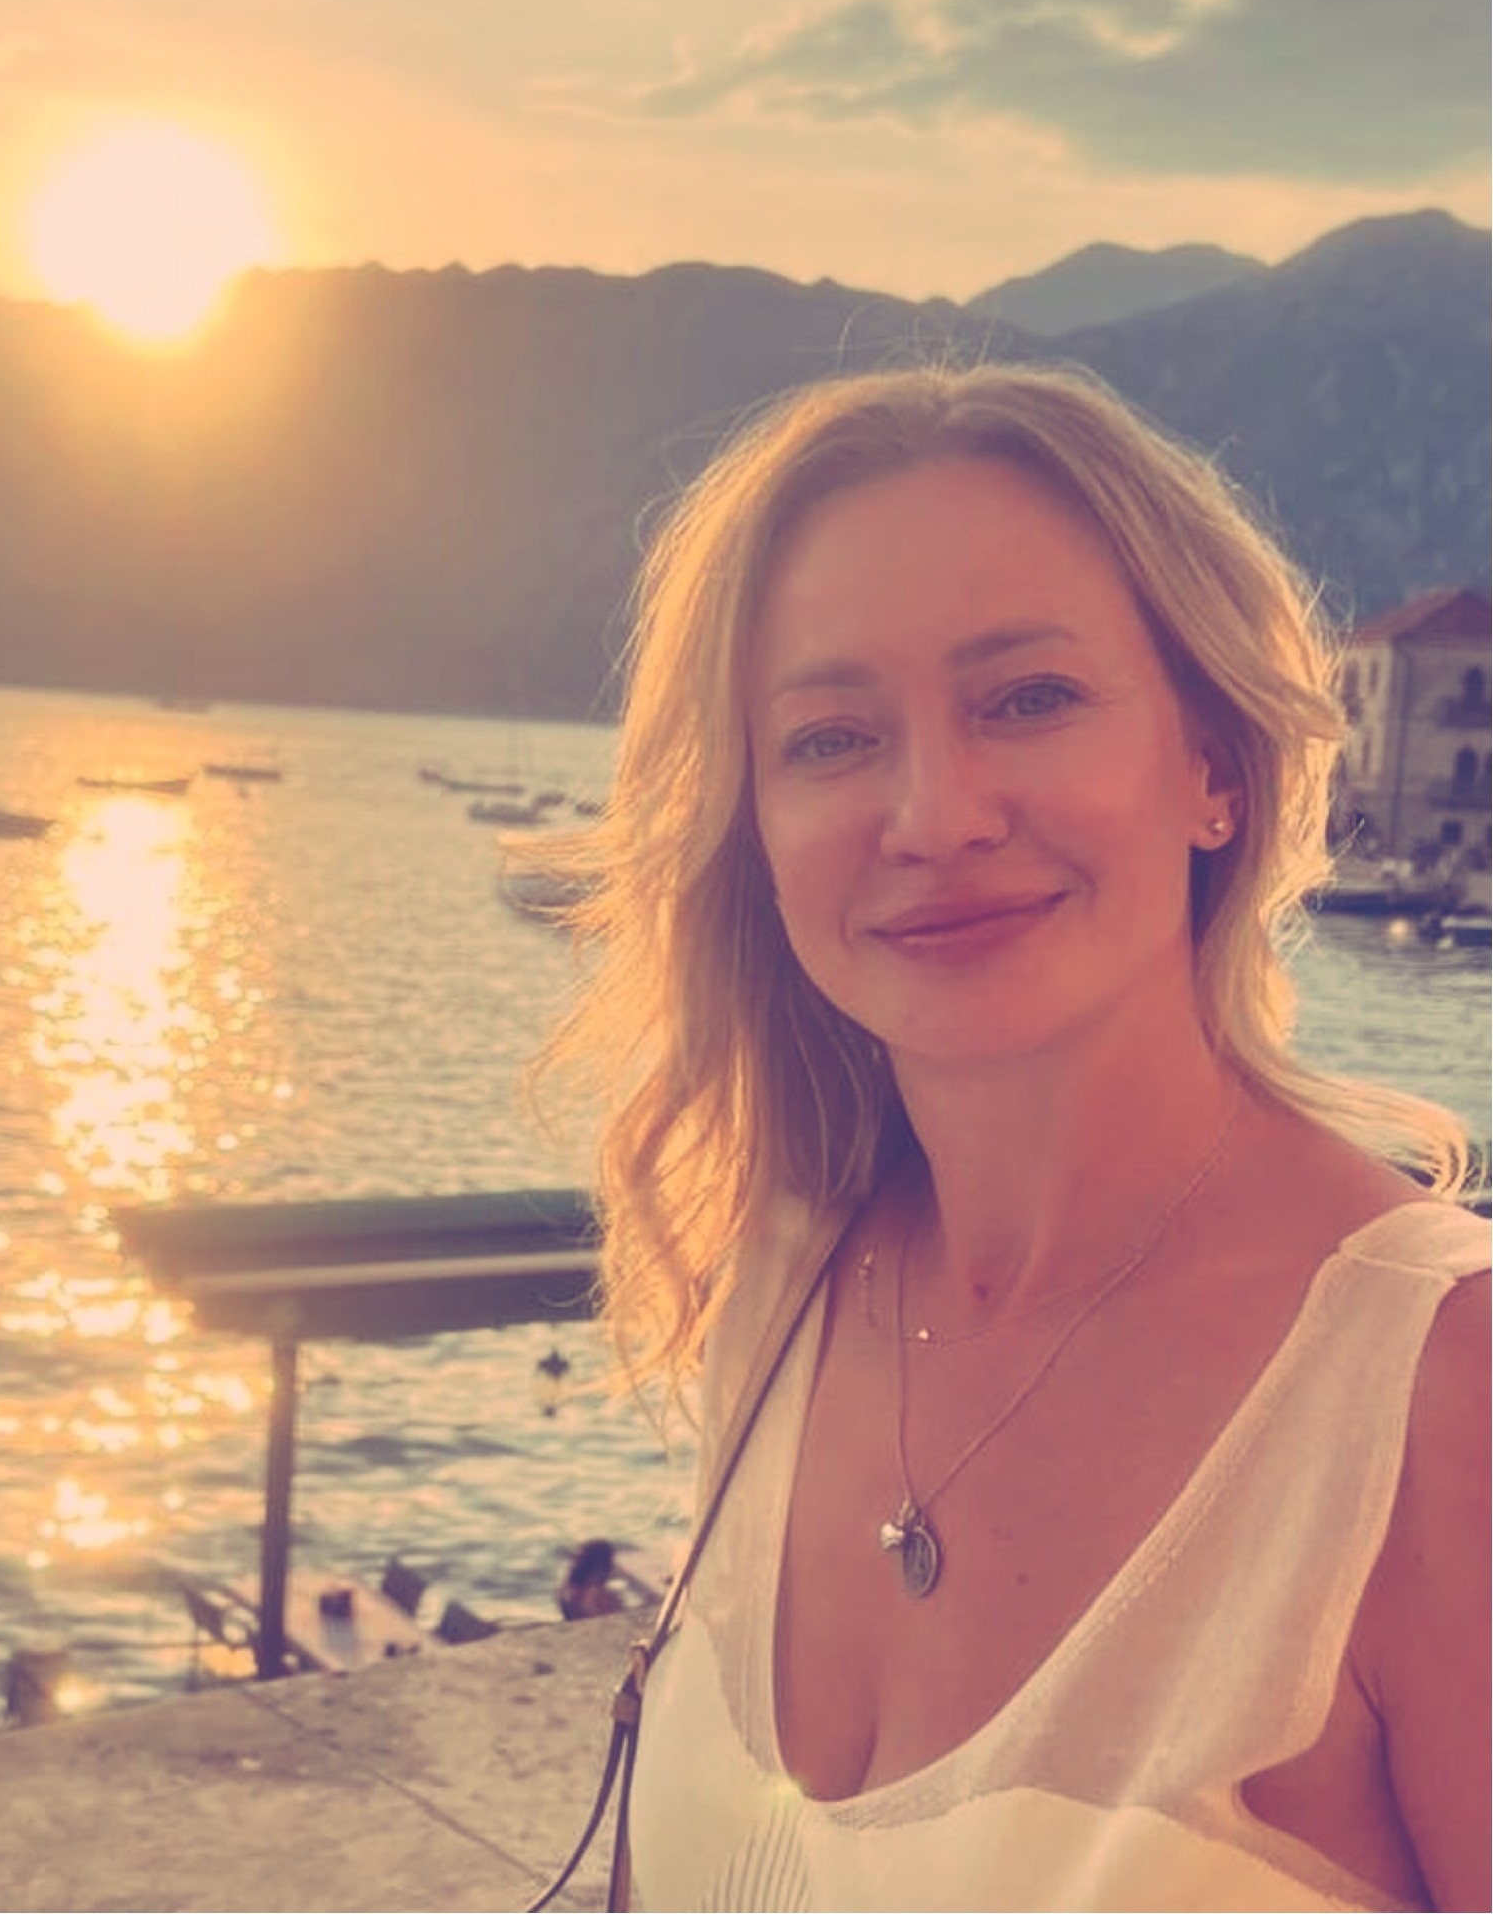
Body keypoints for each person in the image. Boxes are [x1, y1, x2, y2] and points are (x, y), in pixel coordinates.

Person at [534, 362, 1488, 1910]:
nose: (936, 815)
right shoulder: (791, 1281)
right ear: (753, 826)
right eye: (831, 737)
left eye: (1028, 700)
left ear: (1213, 768)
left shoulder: (1438, 1394)